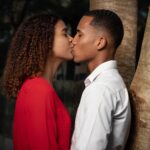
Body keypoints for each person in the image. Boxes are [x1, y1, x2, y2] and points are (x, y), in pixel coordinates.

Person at [3, 13, 73, 150]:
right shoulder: (39, 90)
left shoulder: (36, 87)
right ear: (45, 40)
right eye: (64, 33)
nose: (71, 39)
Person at [71, 9, 131, 150]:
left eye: (79, 34)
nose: (73, 40)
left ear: (100, 42)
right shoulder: (111, 83)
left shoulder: (100, 89)